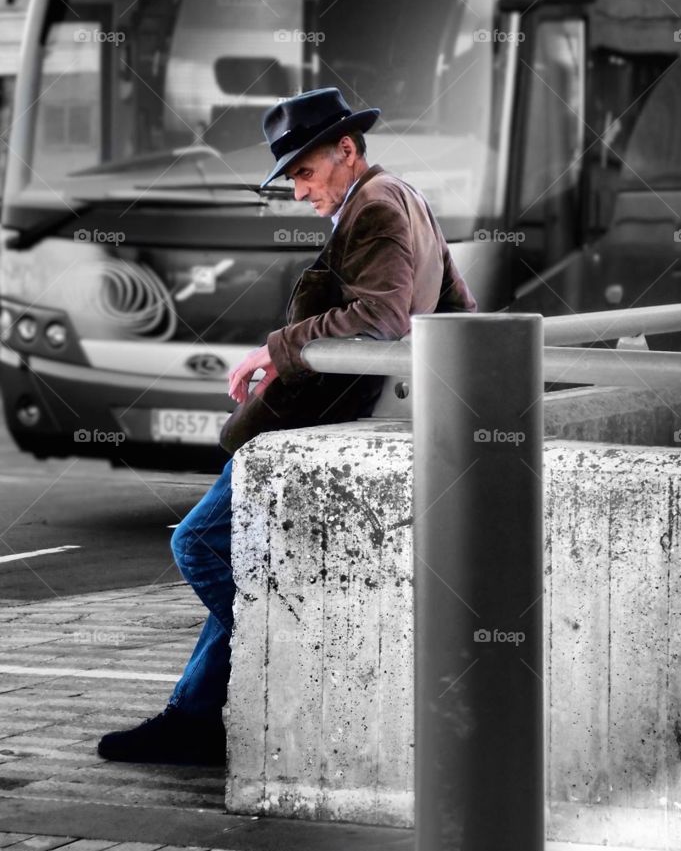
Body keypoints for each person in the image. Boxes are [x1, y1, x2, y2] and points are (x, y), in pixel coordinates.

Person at [98, 87, 477, 764]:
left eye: (304, 172)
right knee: (247, 560)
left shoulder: (378, 207)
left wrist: (275, 348)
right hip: (326, 426)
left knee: (199, 546)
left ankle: (300, 654)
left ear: (347, 150)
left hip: (307, 431)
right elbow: (458, 309)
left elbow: (380, 319)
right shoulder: (406, 198)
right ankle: (195, 718)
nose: (299, 191)